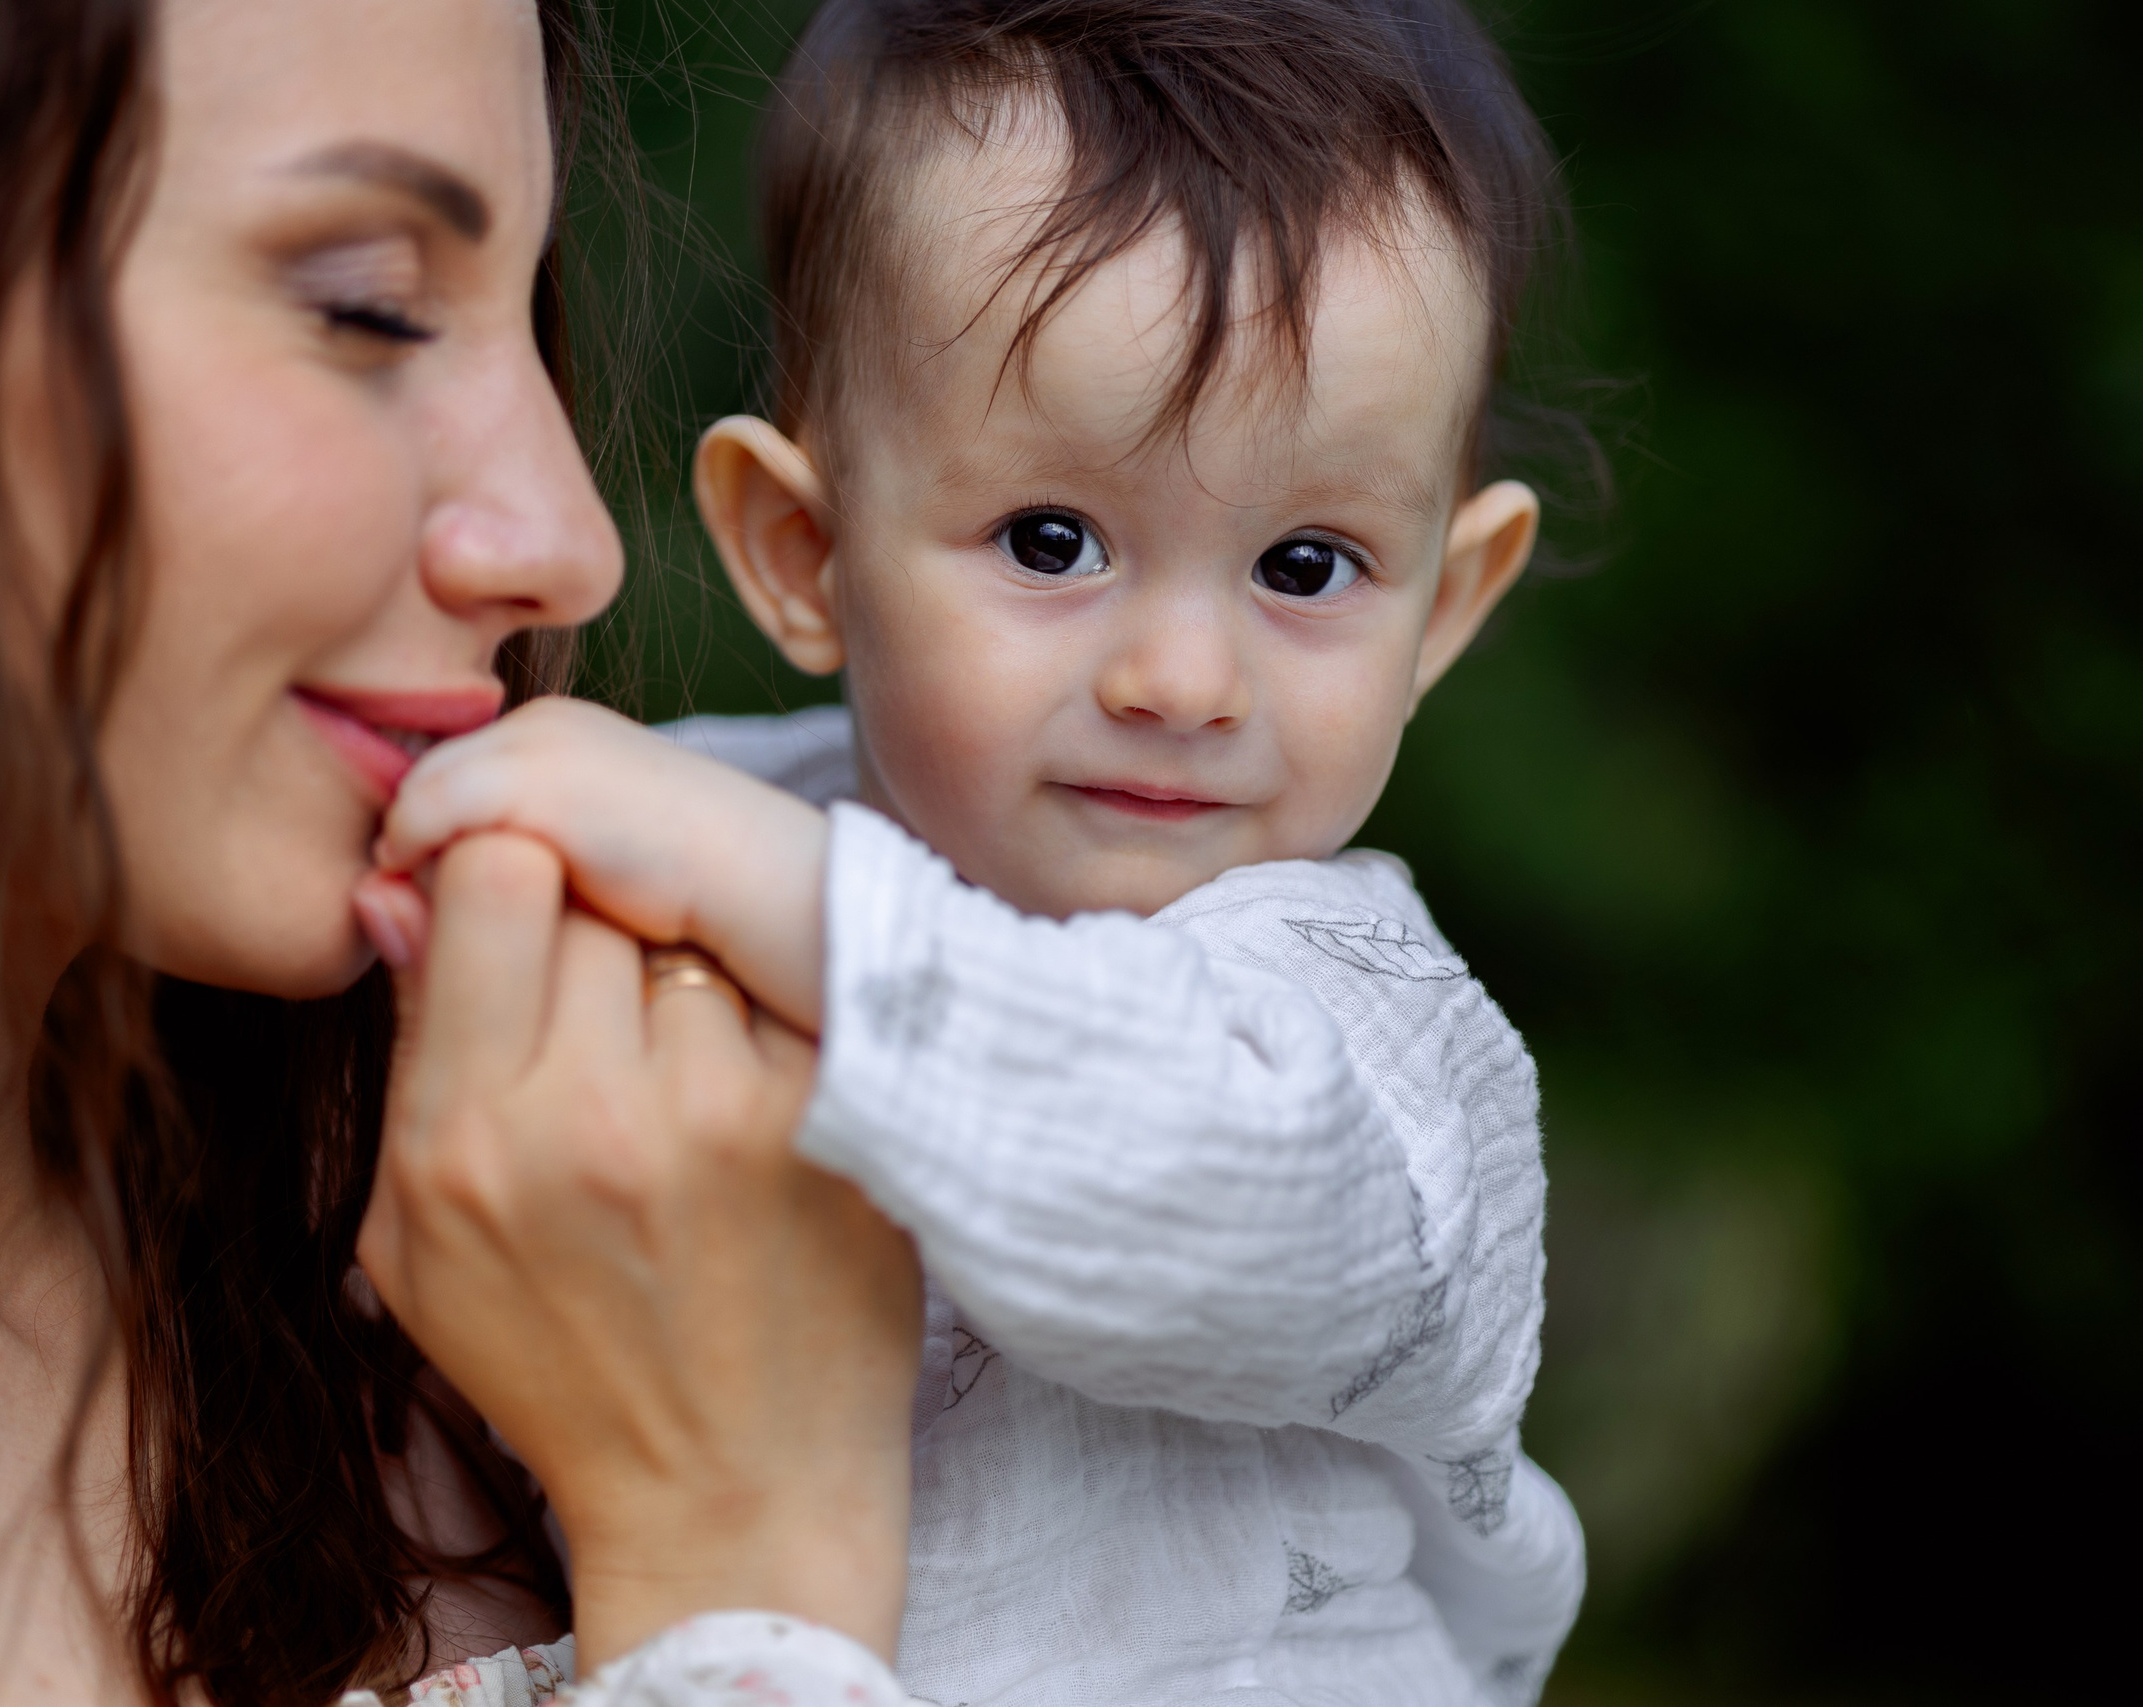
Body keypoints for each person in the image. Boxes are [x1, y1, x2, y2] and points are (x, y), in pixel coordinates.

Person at [0, 3, 932, 1704]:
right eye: (366, 305)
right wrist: (736, 1568)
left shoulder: (503, 1281)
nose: (569, 542)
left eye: (522, 311)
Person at [370, 1, 1589, 1703]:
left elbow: (1206, 1182)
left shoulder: (1364, 1025)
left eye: (1307, 567)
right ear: (803, 552)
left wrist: (767, 895)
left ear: (1445, 606)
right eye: (1053, 540)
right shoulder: (723, 834)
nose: (1181, 682)